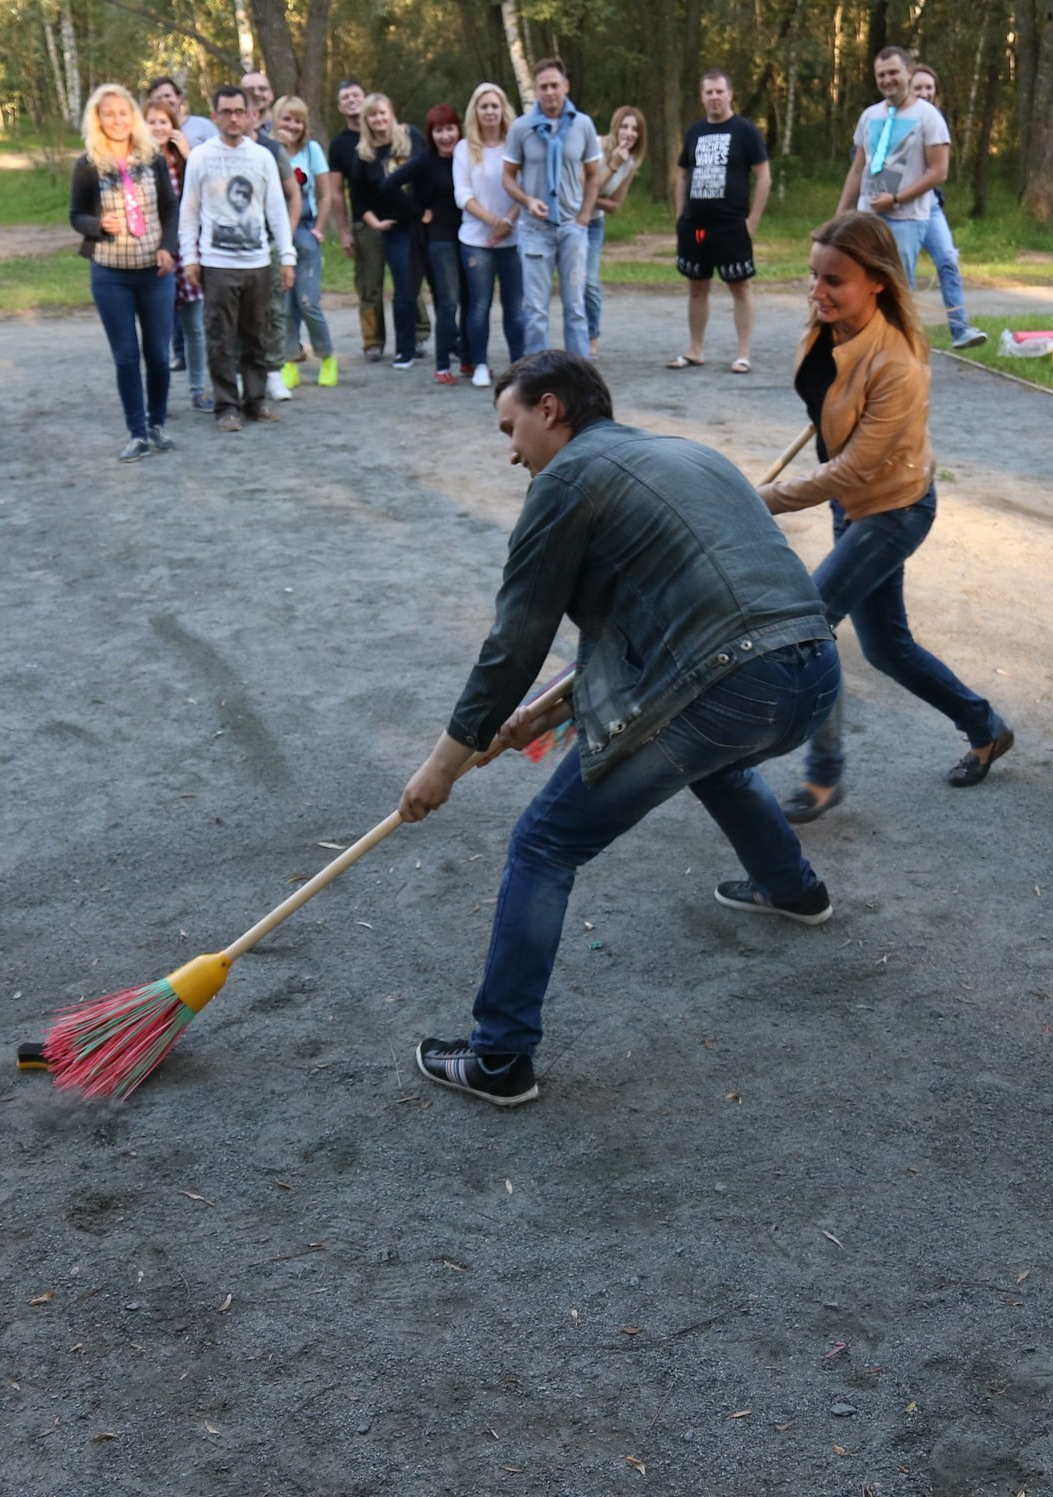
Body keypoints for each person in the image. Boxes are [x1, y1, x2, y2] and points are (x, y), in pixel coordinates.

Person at [398, 351, 841, 1106]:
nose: (511, 451)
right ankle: (792, 888)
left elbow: (514, 643)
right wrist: (546, 710)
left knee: (544, 841)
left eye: (512, 428)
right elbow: (669, 622)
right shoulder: (685, 451)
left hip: (730, 683)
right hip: (811, 676)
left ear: (551, 409)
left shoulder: (565, 480)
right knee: (713, 757)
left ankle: (500, 1055)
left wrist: (442, 765)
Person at [759, 212, 1010, 823]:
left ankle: (822, 778)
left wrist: (756, 499)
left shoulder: (896, 362)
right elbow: (829, 408)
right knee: (887, 648)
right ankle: (986, 726)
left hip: (894, 509)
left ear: (876, 281)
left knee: (808, 625)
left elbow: (850, 473)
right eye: (813, 276)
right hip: (856, 507)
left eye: (834, 280)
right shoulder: (833, 326)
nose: (817, 291)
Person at [836, 45, 986, 350]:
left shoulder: (928, 117)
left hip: (906, 218)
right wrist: (841, 212)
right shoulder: (869, 116)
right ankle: (867, 347)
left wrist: (897, 198)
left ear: (908, 72)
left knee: (899, 289)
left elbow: (939, 172)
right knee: (864, 283)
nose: (888, 79)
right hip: (868, 217)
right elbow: (857, 170)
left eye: (893, 72)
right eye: (881, 75)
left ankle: (903, 353)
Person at [68, 84, 180, 462]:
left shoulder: (152, 159)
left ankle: (157, 424)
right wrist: (99, 225)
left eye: (122, 113)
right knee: (127, 356)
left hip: (155, 273)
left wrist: (168, 248)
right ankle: (136, 433)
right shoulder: (87, 164)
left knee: (159, 356)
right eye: (108, 114)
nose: (117, 120)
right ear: (97, 120)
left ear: (132, 116)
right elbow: (75, 217)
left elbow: (171, 209)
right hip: (111, 275)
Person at [180, 84, 294, 430]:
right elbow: (189, 211)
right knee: (219, 338)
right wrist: (190, 258)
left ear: (250, 116)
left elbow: (276, 209)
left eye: (238, 112)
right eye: (225, 112)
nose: (232, 118)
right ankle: (226, 406)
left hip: (258, 262)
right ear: (215, 116)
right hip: (217, 264)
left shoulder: (261, 156)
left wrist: (286, 256)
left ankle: (255, 401)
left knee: (255, 335)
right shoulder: (200, 156)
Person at [669, 70, 770, 374]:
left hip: (731, 226)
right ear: (702, 96)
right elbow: (683, 174)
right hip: (696, 227)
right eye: (708, 92)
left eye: (719, 92)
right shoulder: (694, 132)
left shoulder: (745, 131)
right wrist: (680, 215)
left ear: (730, 94)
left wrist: (752, 221)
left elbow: (763, 176)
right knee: (696, 288)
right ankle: (695, 349)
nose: (714, 97)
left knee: (739, 288)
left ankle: (742, 354)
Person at [501, 58, 602, 359]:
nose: (550, 92)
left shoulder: (583, 125)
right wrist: (527, 200)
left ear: (565, 86)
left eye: (555, 85)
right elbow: (507, 177)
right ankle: (535, 374)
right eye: (543, 87)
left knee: (575, 307)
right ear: (536, 90)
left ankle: (579, 373)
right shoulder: (521, 128)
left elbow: (594, 174)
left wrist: (585, 215)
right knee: (535, 310)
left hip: (573, 226)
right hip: (535, 229)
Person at [902, 65, 988, 351]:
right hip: (902, 210)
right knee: (905, 273)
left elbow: (940, 169)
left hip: (931, 207)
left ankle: (960, 329)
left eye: (929, 88)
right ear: (907, 90)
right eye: (919, 88)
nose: (925, 93)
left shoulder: (936, 121)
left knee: (948, 261)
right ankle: (904, 337)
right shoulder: (893, 120)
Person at [237, 68, 303, 403]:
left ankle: (274, 373)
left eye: (248, 111)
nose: (243, 117)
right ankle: (241, 374)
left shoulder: (272, 149)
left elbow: (294, 195)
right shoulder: (219, 149)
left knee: (275, 310)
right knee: (238, 313)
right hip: (233, 247)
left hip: (269, 244)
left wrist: (285, 239)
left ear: (256, 115)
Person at [454, 81, 525, 390]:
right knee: (479, 305)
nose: (490, 111)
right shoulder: (463, 148)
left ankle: (520, 366)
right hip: (475, 241)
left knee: (515, 306)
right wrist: (492, 222)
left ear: (503, 109)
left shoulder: (516, 144)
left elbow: (525, 188)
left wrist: (507, 222)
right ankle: (480, 363)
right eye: (484, 106)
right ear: (475, 111)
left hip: (513, 239)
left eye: (495, 105)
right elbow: (462, 194)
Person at [387, 104, 465, 383]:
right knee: (448, 302)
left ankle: (464, 354)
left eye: (450, 129)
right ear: (431, 135)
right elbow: (389, 185)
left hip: (468, 237)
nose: (445, 136)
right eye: (438, 131)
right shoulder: (425, 161)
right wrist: (419, 213)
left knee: (469, 299)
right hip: (438, 240)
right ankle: (443, 365)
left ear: (459, 129)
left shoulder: (466, 156)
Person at [346, 94, 424, 370]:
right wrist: (375, 223)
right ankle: (405, 350)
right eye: (373, 115)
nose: (379, 119)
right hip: (395, 229)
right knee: (404, 289)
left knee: (441, 286)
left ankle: (453, 344)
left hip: (425, 224)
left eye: (383, 113)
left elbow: (431, 170)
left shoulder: (411, 137)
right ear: (366, 120)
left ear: (391, 112)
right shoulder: (364, 154)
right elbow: (358, 199)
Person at [144, 96, 211, 411]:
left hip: (185, 252)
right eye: (152, 121)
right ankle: (159, 397)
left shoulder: (186, 161)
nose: (158, 127)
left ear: (174, 127)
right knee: (157, 331)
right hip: (152, 253)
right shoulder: (137, 162)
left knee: (195, 327)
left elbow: (209, 194)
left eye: (164, 122)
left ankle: (199, 389)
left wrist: (189, 153)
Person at [271, 95, 337, 389]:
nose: (292, 125)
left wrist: (319, 228)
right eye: (287, 118)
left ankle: (326, 357)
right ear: (276, 119)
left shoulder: (312, 151)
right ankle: (288, 360)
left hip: (305, 231)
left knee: (307, 301)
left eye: (298, 120)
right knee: (283, 305)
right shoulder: (266, 148)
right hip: (275, 232)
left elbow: (327, 194)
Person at [323, 81, 387, 359]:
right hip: (363, 223)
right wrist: (345, 231)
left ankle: (417, 335)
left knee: (409, 281)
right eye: (345, 97)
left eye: (356, 95)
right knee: (368, 285)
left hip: (399, 218)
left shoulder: (387, 132)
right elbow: (336, 192)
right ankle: (373, 341)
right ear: (339, 106)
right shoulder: (339, 144)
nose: (351, 100)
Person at [583, 107, 644, 356]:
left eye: (635, 129)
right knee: (569, 282)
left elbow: (614, 205)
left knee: (590, 282)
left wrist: (591, 198)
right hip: (572, 220)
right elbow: (585, 186)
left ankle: (592, 337)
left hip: (594, 224)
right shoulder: (594, 146)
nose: (629, 133)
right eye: (625, 126)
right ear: (615, 126)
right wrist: (612, 165)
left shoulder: (630, 162)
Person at [145, 75, 216, 148]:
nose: (164, 101)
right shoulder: (147, 132)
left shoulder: (203, 126)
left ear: (179, 98)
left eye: (167, 96)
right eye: (158, 98)